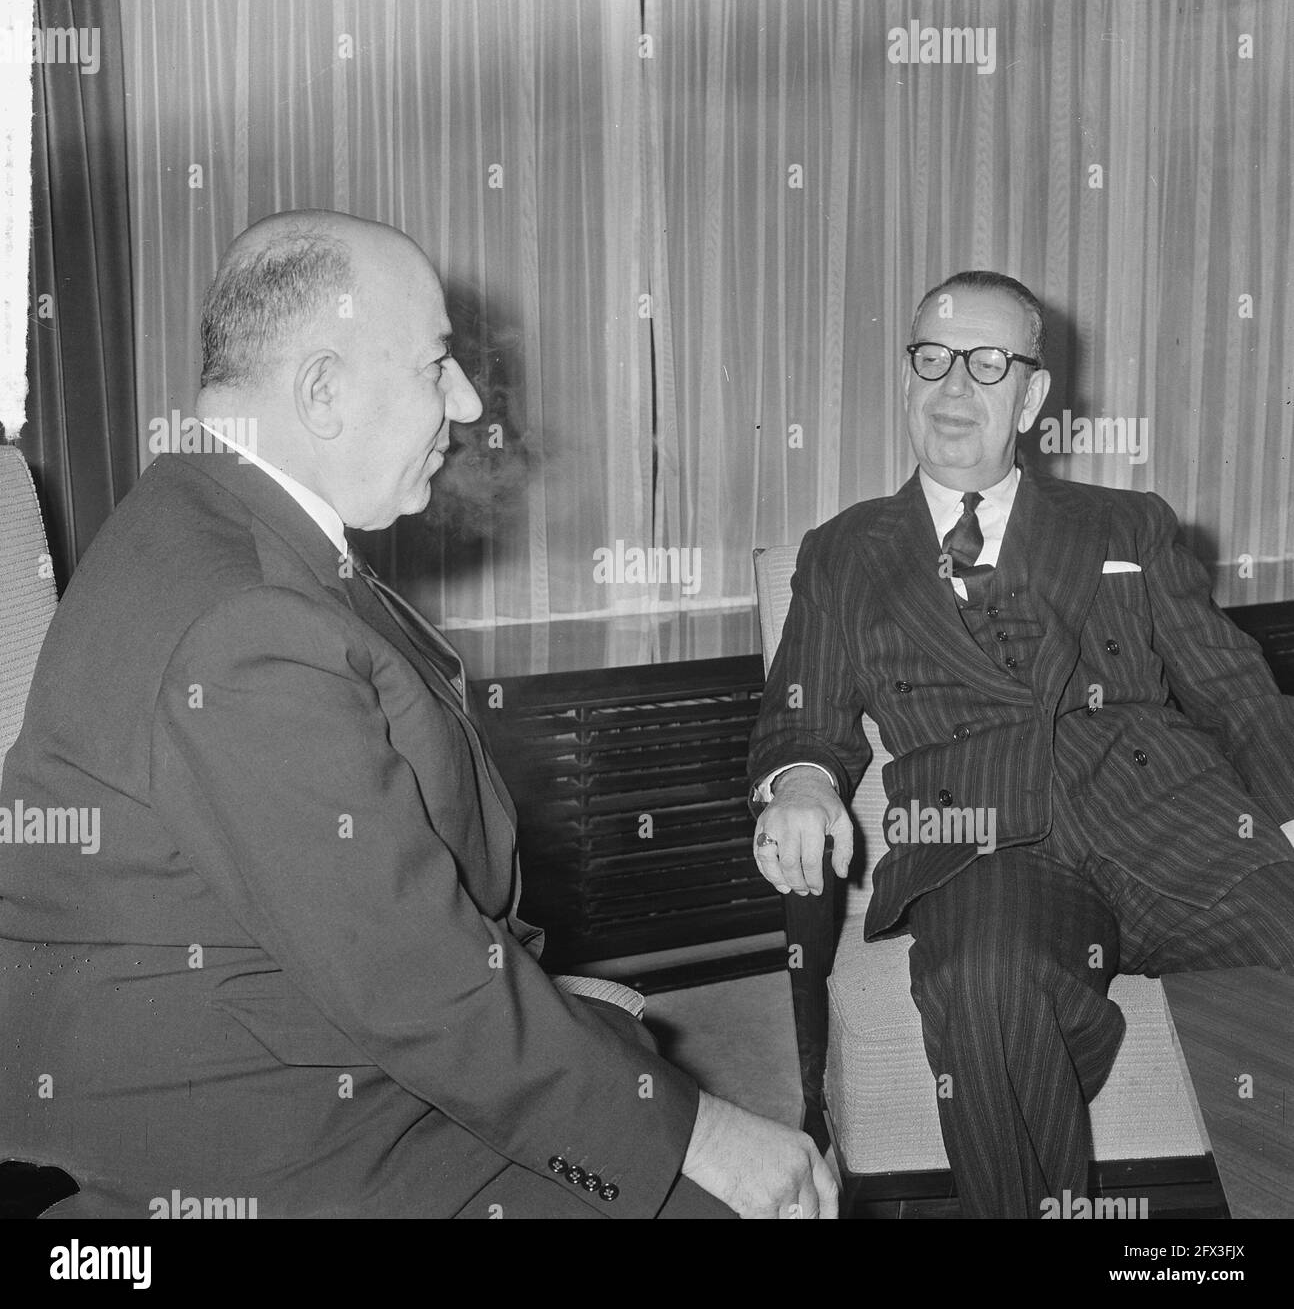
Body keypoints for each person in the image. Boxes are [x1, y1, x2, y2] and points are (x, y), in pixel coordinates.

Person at [0, 209, 836, 1220]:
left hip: (291, 1032)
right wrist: (701, 1137)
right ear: (321, 389)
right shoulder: (247, 619)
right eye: (438, 364)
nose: (470, 399)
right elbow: (414, 981)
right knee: (719, 1191)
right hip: (266, 1119)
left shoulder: (201, 516)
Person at [747, 269, 1294, 1218]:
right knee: (983, 986)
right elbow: (803, 718)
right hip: (983, 844)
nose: (955, 388)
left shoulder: (1125, 523)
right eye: (933, 359)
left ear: (1032, 395)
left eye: (988, 363)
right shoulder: (842, 551)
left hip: (1169, 808)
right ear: (907, 376)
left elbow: (1234, 685)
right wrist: (798, 784)